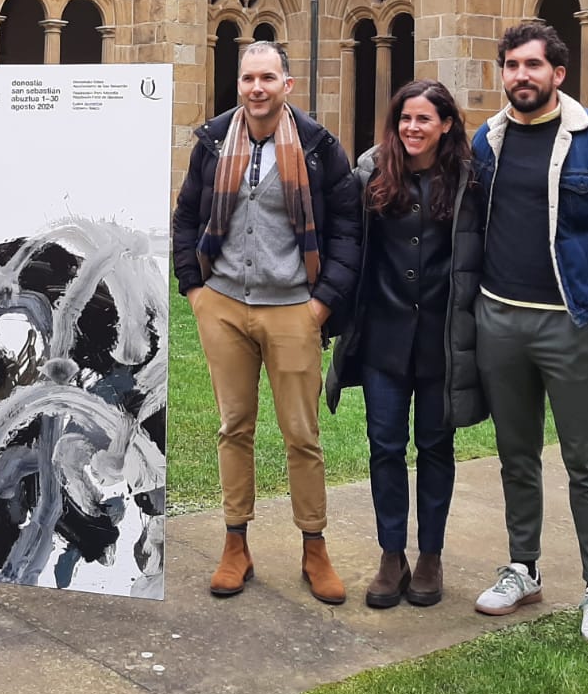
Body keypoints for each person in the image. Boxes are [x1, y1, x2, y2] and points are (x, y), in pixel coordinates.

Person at [470, 21, 588, 644]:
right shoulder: (487, 142)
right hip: (499, 316)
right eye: (511, 65)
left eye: (532, 65)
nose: (520, 76)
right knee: (515, 456)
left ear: (559, 73)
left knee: (587, 461)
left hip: (571, 322)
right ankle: (523, 568)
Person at [173, 41, 362, 604]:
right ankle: (236, 543)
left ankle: (314, 546)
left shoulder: (318, 148)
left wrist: (322, 302)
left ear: (287, 84)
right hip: (225, 305)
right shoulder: (212, 142)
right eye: (248, 78)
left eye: (268, 78)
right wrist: (195, 290)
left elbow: (348, 228)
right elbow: (187, 215)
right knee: (234, 427)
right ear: (239, 85)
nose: (258, 88)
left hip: (292, 308)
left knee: (302, 435)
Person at [325, 79, 485, 609]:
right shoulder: (371, 173)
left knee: (437, 448)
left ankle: (431, 555)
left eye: (423, 119)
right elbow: (339, 236)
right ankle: (391, 555)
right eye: (404, 119)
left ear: (445, 125)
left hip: (442, 339)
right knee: (386, 448)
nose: (412, 128)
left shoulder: (468, 178)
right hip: (383, 340)